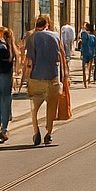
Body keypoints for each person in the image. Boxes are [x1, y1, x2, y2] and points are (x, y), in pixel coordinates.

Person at [23, 14, 63, 145]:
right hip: (53, 77)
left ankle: (36, 132)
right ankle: (49, 133)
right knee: (52, 107)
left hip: (36, 77)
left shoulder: (32, 37)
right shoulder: (56, 36)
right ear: (47, 24)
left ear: (36, 25)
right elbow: (59, 57)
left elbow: (30, 61)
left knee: (34, 108)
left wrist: (26, 78)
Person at [79, 22, 96, 87]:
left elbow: (82, 43)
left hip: (85, 52)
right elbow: (95, 45)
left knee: (84, 68)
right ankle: (88, 80)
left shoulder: (83, 34)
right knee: (89, 67)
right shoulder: (93, 37)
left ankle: (85, 83)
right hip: (91, 52)